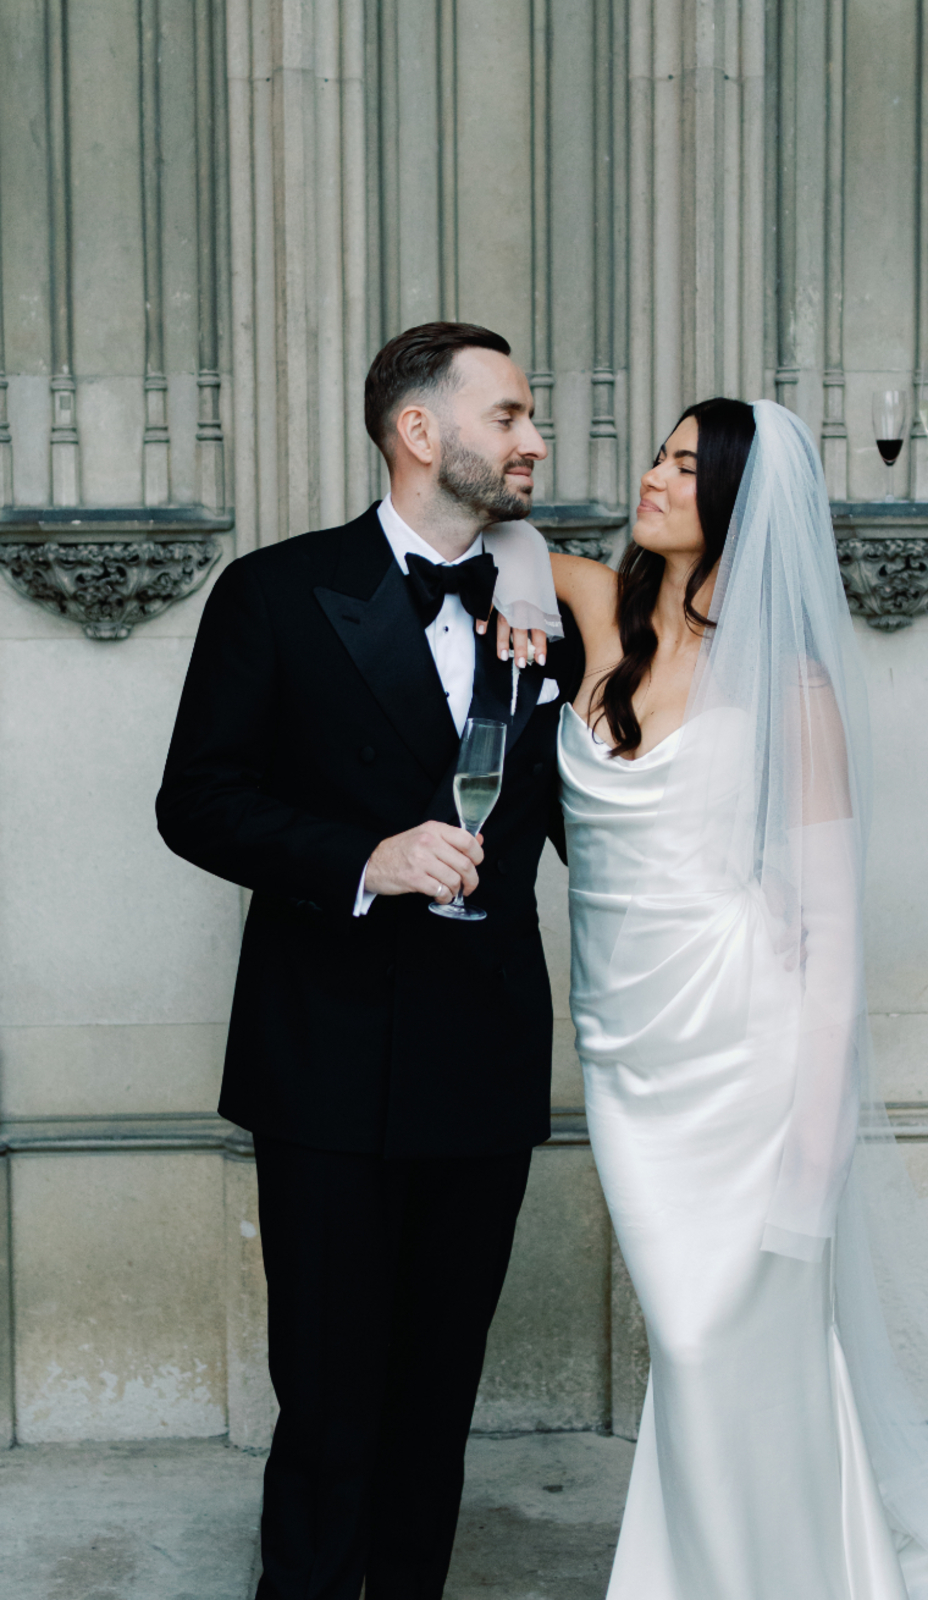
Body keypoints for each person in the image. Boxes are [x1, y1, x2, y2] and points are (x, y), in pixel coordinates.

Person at [499, 397, 928, 1599]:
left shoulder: (790, 686)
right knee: (696, 1337)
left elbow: (831, 936)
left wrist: (814, 1152)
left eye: (683, 466)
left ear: (734, 506)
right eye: (659, 458)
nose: (655, 480)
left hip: (746, 1049)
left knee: (723, 1337)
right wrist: (521, 587)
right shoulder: (598, 609)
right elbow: (508, 544)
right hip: (629, 1053)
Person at [156, 321, 584, 1600]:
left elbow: (599, 809)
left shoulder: (543, 604)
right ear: (419, 431)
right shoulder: (277, 592)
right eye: (507, 415)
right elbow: (197, 802)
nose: (533, 440)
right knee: (331, 1407)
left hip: (485, 1052)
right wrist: (365, 856)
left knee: (436, 1405)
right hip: (328, 1063)